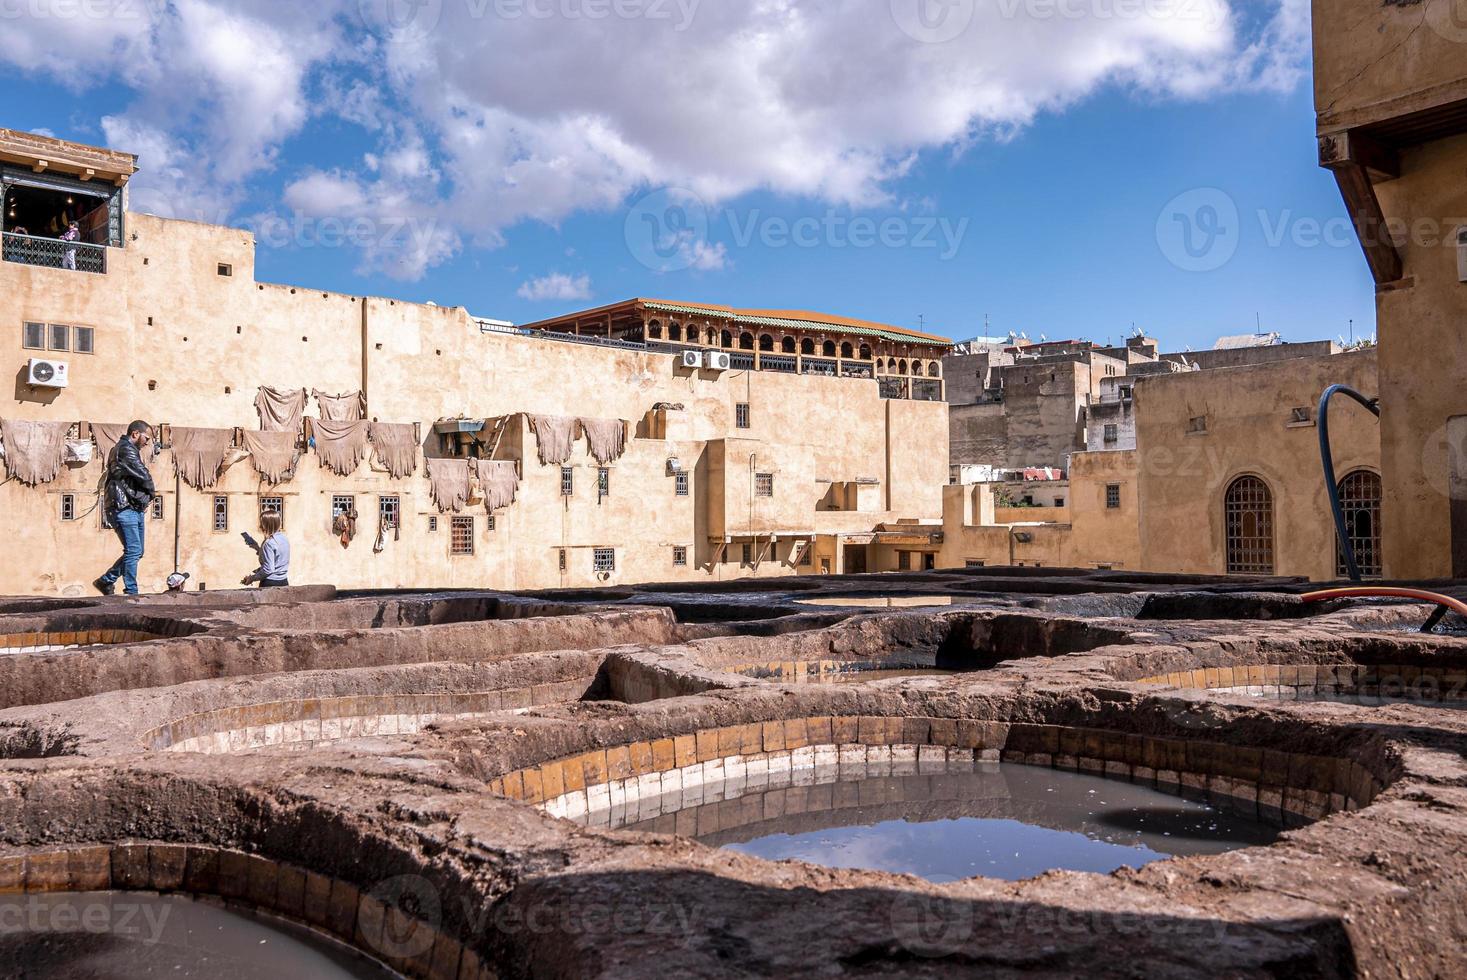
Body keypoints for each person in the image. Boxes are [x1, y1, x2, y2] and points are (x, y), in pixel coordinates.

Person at [94, 421, 155, 596]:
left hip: (132, 507)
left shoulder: (128, 450)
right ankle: (131, 591)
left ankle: (106, 581)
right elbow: (143, 475)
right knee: (133, 550)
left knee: (137, 551)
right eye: (146, 438)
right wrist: (151, 493)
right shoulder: (125, 449)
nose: (147, 442)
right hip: (122, 507)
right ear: (135, 434)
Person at [243, 512, 290, 588]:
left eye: (262, 523)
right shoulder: (284, 538)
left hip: (270, 583)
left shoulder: (269, 543)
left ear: (267, 525)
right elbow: (276, 558)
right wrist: (257, 548)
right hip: (283, 581)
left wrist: (252, 578)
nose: (260, 526)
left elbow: (268, 569)